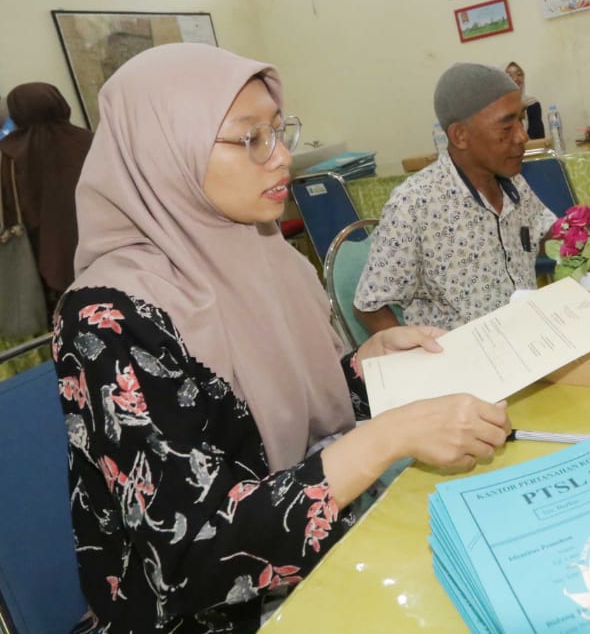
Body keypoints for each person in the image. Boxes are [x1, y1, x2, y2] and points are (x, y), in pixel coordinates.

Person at [53, 44, 510, 632]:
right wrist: (383, 439)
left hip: (323, 551)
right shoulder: (107, 318)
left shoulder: (265, 253)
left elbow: (264, 416)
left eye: (279, 131)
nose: (283, 158)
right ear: (165, 153)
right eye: (251, 139)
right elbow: (186, 560)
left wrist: (365, 369)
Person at [354, 63, 556, 333]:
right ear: (460, 135)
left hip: (528, 338)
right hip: (463, 362)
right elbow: (370, 306)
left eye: (521, 119)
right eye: (506, 127)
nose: (523, 136)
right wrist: (415, 361)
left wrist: (589, 229)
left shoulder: (513, 182)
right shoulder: (415, 205)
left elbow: (542, 233)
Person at [0, 82, 93, 302]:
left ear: (16, 116)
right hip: (110, 262)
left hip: (47, 281)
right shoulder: (94, 143)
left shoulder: (2, 161)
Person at [505, 61, 544, 140]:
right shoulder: (497, 109)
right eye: (509, 75)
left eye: (519, 74)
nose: (515, 79)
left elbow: (538, 137)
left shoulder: (532, 103)